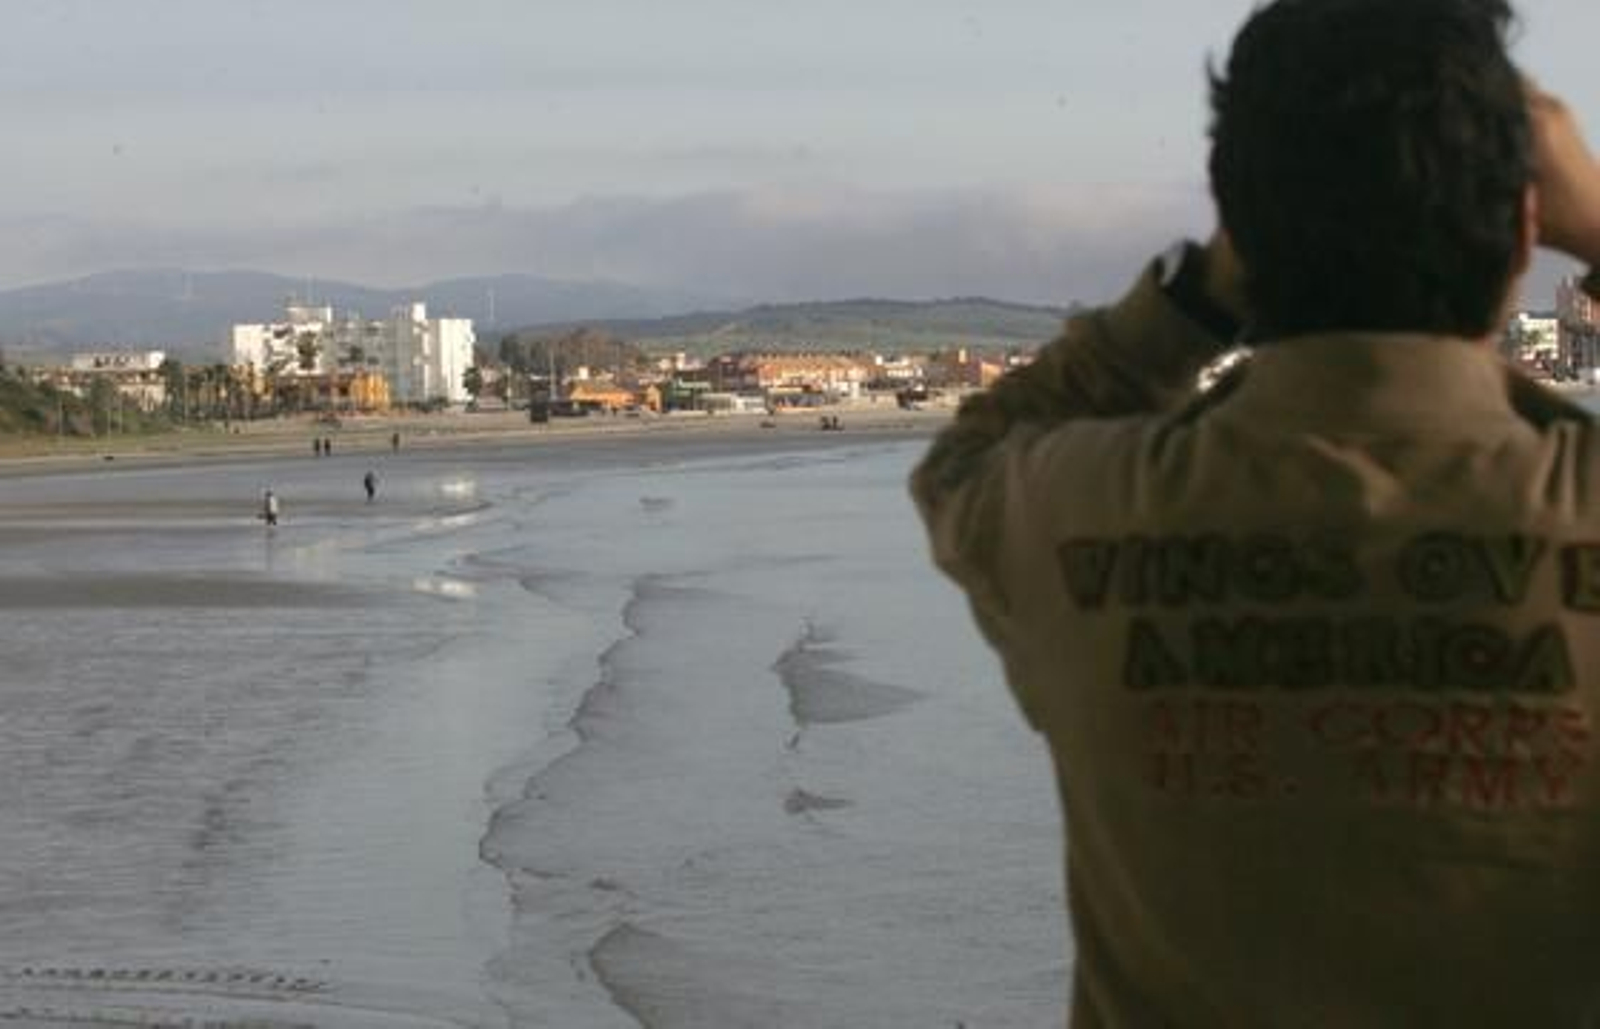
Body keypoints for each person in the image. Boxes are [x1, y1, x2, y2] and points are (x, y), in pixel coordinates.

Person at [911, 1, 1600, 1024]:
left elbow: (965, 458)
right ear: (1522, 237)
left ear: (1242, 229)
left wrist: (1201, 293)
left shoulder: (1075, 507)